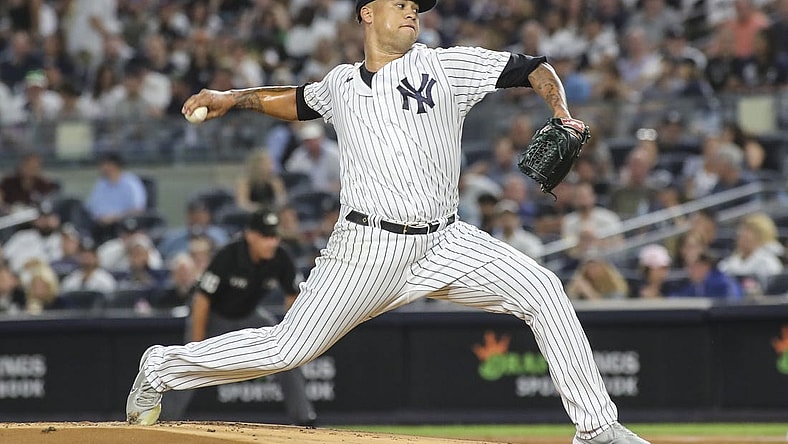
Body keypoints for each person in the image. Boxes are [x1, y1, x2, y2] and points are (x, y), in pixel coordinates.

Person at [127, 2, 649, 442]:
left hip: (445, 241)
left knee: (543, 289)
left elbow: (536, 67)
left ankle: (597, 429)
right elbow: (293, 100)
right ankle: (160, 368)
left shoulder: (445, 66)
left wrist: (560, 113)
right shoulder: (340, 85)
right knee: (287, 349)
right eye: (398, 3)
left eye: (415, 7)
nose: (410, 12)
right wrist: (231, 98)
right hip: (365, 249)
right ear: (367, 14)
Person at [158, 209, 316, 426]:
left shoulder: (280, 257)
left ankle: (304, 418)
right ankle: (163, 420)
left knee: (287, 355)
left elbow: (293, 296)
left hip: (250, 316)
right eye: (265, 236)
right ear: (250, 235)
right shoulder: (229, 256)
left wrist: (296, 332)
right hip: (215, 316)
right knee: (190, 365)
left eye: (274, 236)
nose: (272, 242)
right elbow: (202, 300)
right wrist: (196, 343)